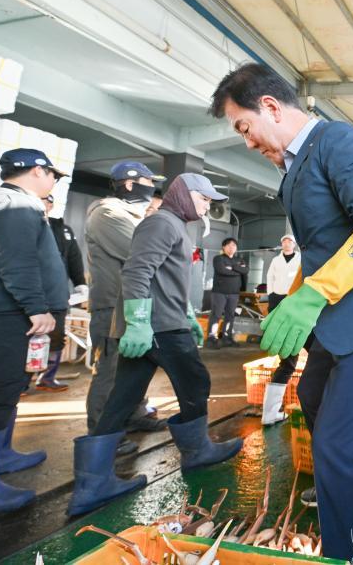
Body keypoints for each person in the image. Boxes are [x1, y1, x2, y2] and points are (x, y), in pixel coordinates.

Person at [211, 63, 353, 565]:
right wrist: (300, 298)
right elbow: (320, 246)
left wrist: (311, 296)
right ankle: (336, 510)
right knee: (309, 396)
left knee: (336, 436)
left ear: (270, 106)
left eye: (244, 127)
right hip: (335, 314)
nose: (247, 142)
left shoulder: (341, 143)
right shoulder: (294, 167)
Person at [68, 173, 243, 516]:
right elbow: (136, 272)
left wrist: (189, 313)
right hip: (159, 327)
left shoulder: (173, 224)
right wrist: (137, 322)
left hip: (161, 322)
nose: (208, 205)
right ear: (184, 194)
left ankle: (91, 487)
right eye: (204, 198)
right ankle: (197, 452)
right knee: (195, 382)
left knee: (122, 399)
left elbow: (166, 278)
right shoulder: (162, 223)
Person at [0, 148, 68, 512]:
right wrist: (37, 307)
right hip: (4, 313)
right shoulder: (14, 204)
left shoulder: (11, 203)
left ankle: (2, 455)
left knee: (9, 386)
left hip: (8, 312)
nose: (53, 181)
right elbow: (17, 260)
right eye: (53, 174)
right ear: (37, 171)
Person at [84, 162, 166, 454]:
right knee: (110, 369)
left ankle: (135, 414)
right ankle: (102, 434)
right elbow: (141, 253)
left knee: (134, 365)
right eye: (146, 181)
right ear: (128, 184)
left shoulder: (135, 215)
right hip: (111, 306)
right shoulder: (108, 213)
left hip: (132, 304)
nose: (151, 187)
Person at [30, 193, 87, 392]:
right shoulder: (24, 223)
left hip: (57, 295)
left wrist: (80, 283)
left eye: (49, 200)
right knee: (24, 337)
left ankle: (47, 377)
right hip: (28, 293)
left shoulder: (62, 228)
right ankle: (21, 381)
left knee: (57, 337)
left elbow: (74, 258)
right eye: (43, 199)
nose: (46, 203)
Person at [205, 237, 248, 348]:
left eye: (233, 245)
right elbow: (222, 270)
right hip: (219, 292)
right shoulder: (218, 259)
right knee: (216, 315)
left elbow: (245, 270)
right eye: (228, 245)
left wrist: (232, 267)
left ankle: (227, 338)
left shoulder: (239, 259)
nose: (231, 247)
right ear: (223, 247)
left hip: (234, 293)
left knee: (230, 316)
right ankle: (211, 339)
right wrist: (237, 270)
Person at [265, 234, 300, 313]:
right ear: (282, 244)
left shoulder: (300, 259)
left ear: (294, 244)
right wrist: (270, 293)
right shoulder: (276, 260)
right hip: (276, 294)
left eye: (289, 242)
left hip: (292, 295)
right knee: (273, 317)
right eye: (284, 242)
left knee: (289, 317)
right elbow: (270, 276)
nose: (286, 244)